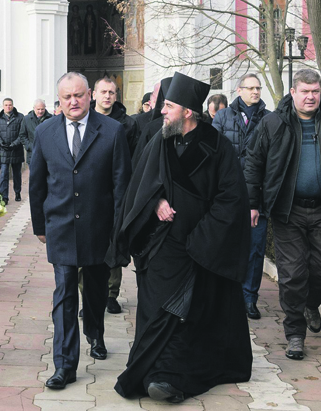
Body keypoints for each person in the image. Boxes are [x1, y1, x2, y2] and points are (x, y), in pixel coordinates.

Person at [107, 71, 252, 403]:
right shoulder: (157, 140)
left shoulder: (218, 146)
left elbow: (231, 199)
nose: (162, 111)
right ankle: (148, 370)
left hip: (200, 248)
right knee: (156, 309)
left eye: (169, 106)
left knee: (184, 314)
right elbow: (139, 185)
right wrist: (154, 202)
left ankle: (167, 377)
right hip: (160, 245)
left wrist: (201, 238)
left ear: (188, 110)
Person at [245, 68, 321, 360]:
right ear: (293, 93)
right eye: (305, 91)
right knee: (292, 275)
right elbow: (253, 163)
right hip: (287, 212)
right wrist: (252, 203)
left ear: (320, 92)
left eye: (315, 92)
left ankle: (312, 304)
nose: (311, 97)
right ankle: (295, 334)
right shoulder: (273, 123)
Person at [29, 72, 131, 390]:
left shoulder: (112, 131)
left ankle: (96, 333)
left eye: (79, 95)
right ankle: (65, 364)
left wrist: (118, 231)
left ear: (89, 95)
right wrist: (40, 226)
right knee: (64, 294)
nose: (73, 102)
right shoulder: (45, 133)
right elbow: (36, 184)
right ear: (59, 101)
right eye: (66, 97)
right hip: (60, 227)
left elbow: (121, 185)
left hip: (99, 228)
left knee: (96, 290)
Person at [212, 75, 269, 319]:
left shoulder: (270, 118)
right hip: (227, 194)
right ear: (239, 90)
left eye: (258, 88)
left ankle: (249, 297)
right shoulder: (223, 117)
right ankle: (224, 296)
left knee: (254, 249)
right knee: (224, 245)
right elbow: (211, 152)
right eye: (251, 88)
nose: (255, 92)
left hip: (258, 196)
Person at [85, 77, 140, 314]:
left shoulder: (127, 125)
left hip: (115, 193)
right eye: (103, 91)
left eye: (112, 92)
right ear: (93, 94)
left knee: (113, 243)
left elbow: (135, 160)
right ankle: (86, 294)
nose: (107, 96)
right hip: (87, 193)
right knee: (84, 245)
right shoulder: (83, 120)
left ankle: (110, 293)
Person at [0, 98, 25, 203]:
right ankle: (4, 196)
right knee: (3, 175)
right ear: (3, 106)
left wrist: (14, 144)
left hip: (16, 150)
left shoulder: (20, 117)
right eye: (6, 105)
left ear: (13, 105)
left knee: (17, 174)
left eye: (10, 105)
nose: (8, 107)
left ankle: (17, 192)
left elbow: (22, 133)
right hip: (3, 151)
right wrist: (1, 143)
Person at [19, 99, 52, 166]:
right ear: (34, 108)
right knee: (34, 176)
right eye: (38, 109)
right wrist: (29, 146)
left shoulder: (51, 118)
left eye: (42, 109)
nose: (40, 111)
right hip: (32, 154)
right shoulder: (26, 119)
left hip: (47, 154)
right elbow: (22, 135)